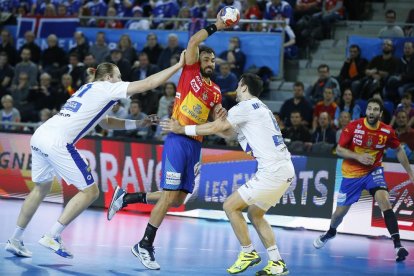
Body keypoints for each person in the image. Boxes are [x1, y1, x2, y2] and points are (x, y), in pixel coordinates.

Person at [4, 53, 185, 259]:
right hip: (57, 142)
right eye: (118, 76)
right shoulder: (107, 87)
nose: (120, 80)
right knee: (90, 192)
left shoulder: (87, 88)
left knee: (41, 188)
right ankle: (52, 235)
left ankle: (15, 239)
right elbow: (148, 83)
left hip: (40, 135)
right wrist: (178, 66)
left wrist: (138, 123)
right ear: (108, 77)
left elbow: (106, 122)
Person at [107, 12, 228, 270]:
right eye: (206, 58)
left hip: (195, 144)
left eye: (213, 60)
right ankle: (145, 244)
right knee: (169, 194)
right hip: (176, 140)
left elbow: (214, 117)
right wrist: (218, 25)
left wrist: (220, 113)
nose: (210, 62)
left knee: (177, 200)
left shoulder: (216, 90)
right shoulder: (191, 70)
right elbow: (195, 40)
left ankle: (126, 198)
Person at [161, 73, 295, 276]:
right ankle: (277, 263)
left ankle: (248, 253)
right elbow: (228, 133)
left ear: (243, 87)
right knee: (255, 214)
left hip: (273, 171)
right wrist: (218, 120)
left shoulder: (246, 107)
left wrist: (182, 129)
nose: (236, 89)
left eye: (238, 85)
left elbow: (217, 127)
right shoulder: (259, 108)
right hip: (284, 169)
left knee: (230, 206)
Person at [313, 98, 414, 262]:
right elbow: (339, 149)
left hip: (373, 172)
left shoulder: (387, 131)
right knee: (339, 214)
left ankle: (398, 246)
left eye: (375, 110)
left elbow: (399, 150)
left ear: (380, 114)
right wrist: (358, 156)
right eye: (369, 109)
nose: (371, 112)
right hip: (351, 175)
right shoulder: (354, 126)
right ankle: (331, 231)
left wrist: (410, 172)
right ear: (366, 111)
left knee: (385, 201)